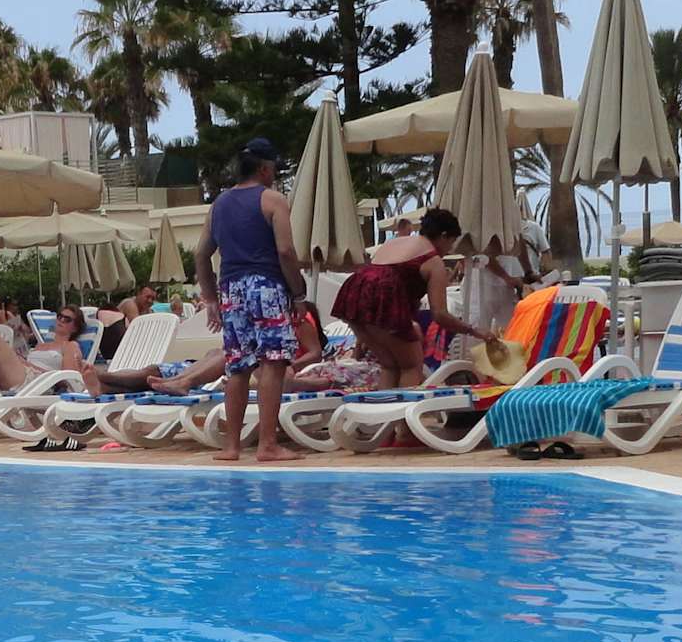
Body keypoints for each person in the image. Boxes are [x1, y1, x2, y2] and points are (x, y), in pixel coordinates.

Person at [201, 138, 305, 463]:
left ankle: (232, 446)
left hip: (231, 289)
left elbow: (201, 253)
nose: (274, 174)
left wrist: (210, 297)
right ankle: (267, 445)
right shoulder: (272, 199)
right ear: (263, 168)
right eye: (273, 168)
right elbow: (285, 251)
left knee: (238, 365)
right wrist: (298, 292)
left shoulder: (219, 204)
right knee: (272, 363)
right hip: (266, 286)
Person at [332, 208, 504, 391]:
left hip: (354, 295)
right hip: (383, 298)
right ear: (444, 236)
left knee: (390, 366)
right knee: (411, 366)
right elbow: (440, 315)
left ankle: (383, 408)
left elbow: (379, 281)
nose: (450, 249)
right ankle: (403, 410)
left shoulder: (395, 243)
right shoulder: (433, 261)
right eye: (451, 242)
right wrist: (473, 330)